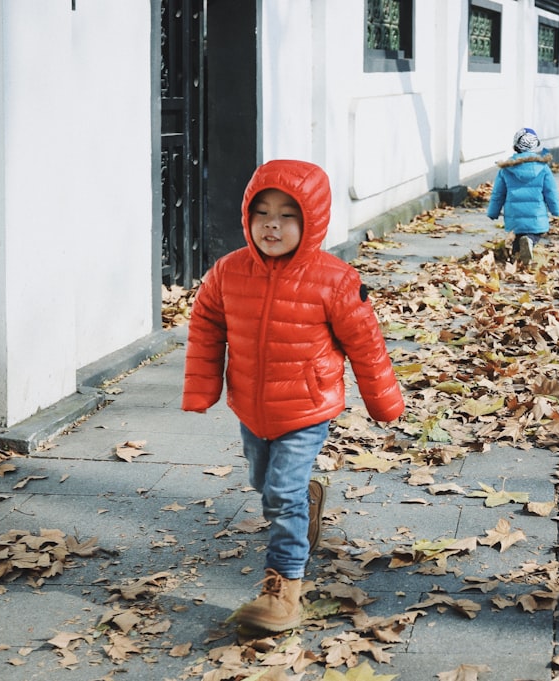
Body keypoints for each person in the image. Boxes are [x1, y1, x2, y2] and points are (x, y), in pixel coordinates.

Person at [181, 159, 405, 634]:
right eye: (262, 213)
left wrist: (383, 401)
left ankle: (285, 590)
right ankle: (306, 499)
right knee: (265, 484)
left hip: (306, 407)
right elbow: (206, 327)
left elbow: (365, 343)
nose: (272, 225)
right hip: (252, 405)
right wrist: (203, 389)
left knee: (279, 495)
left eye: (287, 215)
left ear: (312, 220)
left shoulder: (336, 280)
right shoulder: (228, 272)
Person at [486, 128, 559, 266]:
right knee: (534, 234)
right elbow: (551, 191)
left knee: (518, 235)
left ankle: (516, 260)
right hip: (536, 212)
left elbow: (498, 193)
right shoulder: (542, 167)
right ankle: (530, 243)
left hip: (514, 212)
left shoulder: (506, 168)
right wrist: (555, 210)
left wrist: (493, 212)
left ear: (515, 146)